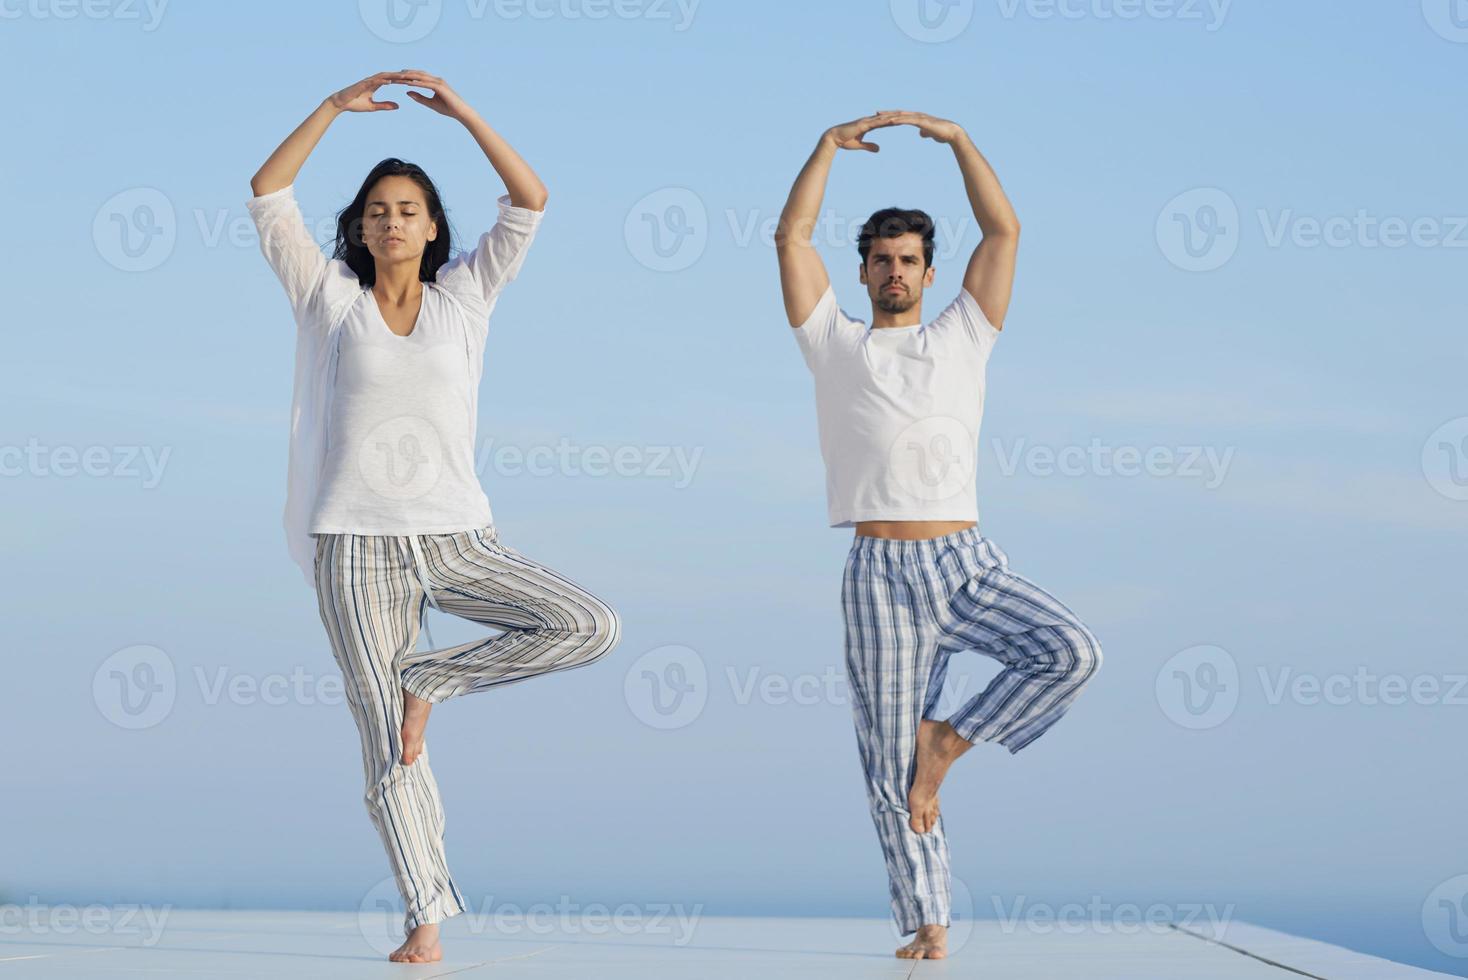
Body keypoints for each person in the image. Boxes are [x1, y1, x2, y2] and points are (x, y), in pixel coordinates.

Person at [246, 70, 620, 964]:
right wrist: (333, 108)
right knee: (387, 748)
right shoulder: (329, 299)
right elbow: (268, 193)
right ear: (360, 226)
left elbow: (530, 200)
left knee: (588, 624)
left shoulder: (466, 298)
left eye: (408, 208)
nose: (391, 221)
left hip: (458, 538)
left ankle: (433, 681)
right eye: (376, 209)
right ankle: (426, 915)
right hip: (355, 546)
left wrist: (466, 115)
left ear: (433, 225)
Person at [775, 110, 1103, 960]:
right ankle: (930, 922)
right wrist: (824, 150)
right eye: (880, 259)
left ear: (927, 271)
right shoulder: (831, 342)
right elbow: (790, 235)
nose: (894, 270)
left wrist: (958, 143)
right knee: (887, 763)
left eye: (908, 260)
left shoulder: (964, 332)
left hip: (964, 561)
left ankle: (948, 740)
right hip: (877, 570)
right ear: (863, 270)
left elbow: (1005, 228)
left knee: (1071, 651)